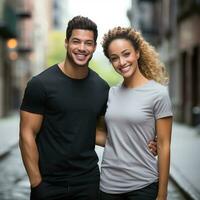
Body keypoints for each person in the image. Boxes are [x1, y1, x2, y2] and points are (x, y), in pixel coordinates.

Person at [19, 16, 157, 200]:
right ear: (67, 43)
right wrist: (37, 184)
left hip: (88, 184)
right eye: (76, 41)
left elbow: (100, 132)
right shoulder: (40, 84)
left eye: (88, 43)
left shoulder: (101, 88)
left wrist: (141, 143)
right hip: (49, 184)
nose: (82, 48)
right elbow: (26, 134)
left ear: (93, 47)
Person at [98, 27, 173, 200]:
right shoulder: (110, 94)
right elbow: (104, 135)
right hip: (108, 186)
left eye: (126, 54)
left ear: (137, 53)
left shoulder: (158, 94)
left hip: (144, 186)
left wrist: (162, 194)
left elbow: (164, 145)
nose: (121, 62)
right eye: (114, 58)